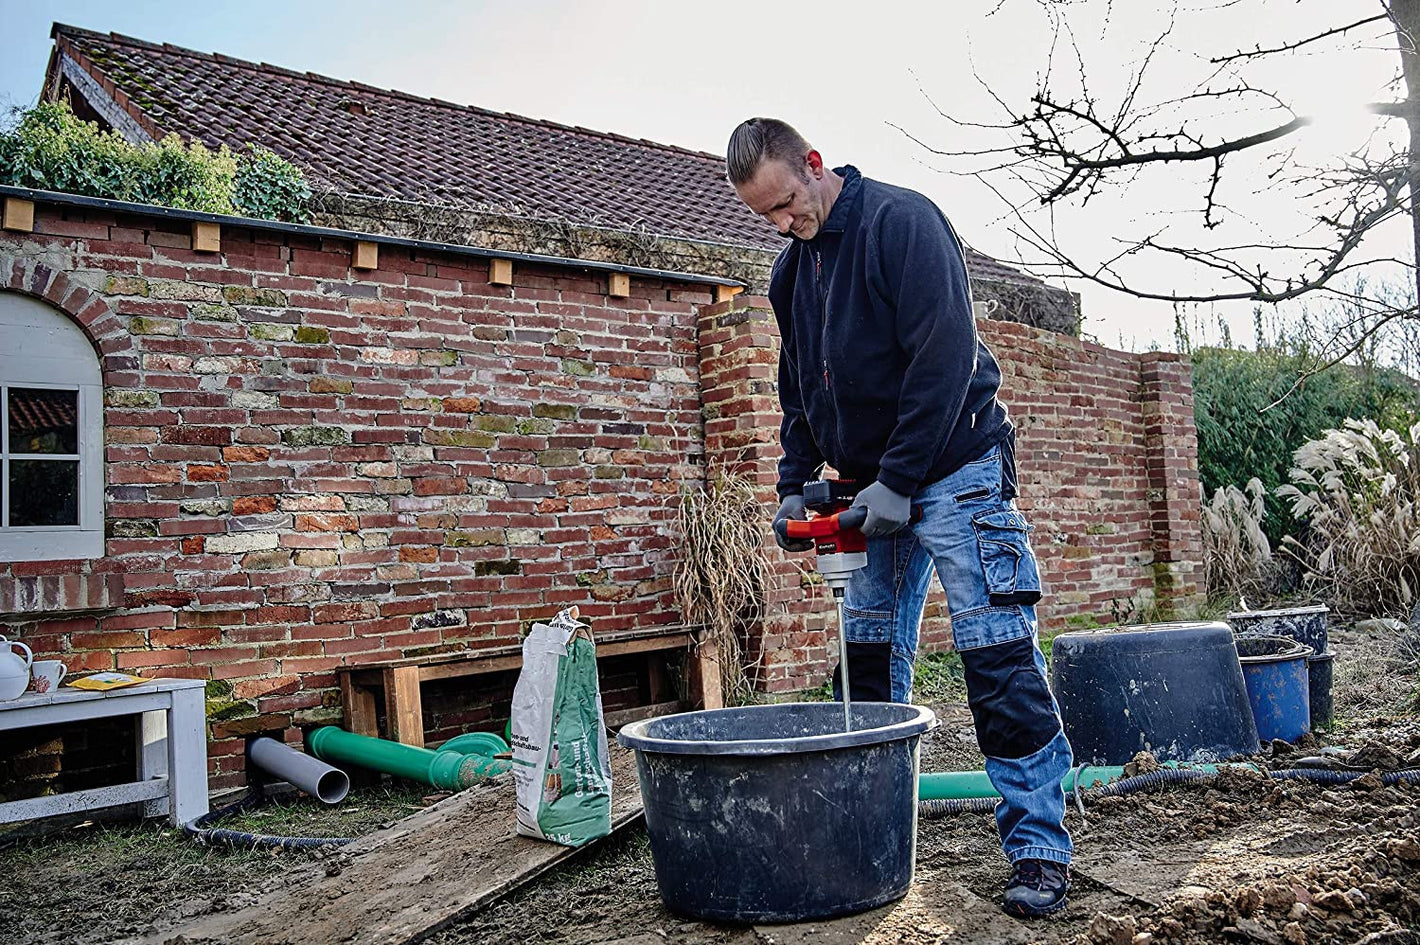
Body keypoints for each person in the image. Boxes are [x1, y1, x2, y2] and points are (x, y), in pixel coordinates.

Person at [726, 117, 1074, 918]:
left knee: (996, 656)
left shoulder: (901, 223)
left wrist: (903, 478)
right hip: (864, 491)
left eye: (787, 204)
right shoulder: (791, 275)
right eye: (766, 218)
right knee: (868, 670)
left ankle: (1039, 849)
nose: (783, 225)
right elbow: (798, 389)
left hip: (953, 468)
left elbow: (944, 356)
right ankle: (871, 835)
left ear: (813, 164)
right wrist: (792, 481)